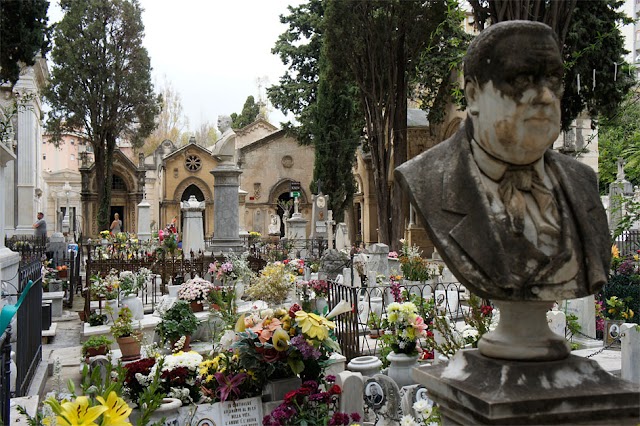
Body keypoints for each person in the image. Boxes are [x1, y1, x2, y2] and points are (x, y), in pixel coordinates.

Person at [395, 21, 609, 303]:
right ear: (473, 96)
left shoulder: (583, 182)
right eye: (521, 80)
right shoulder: (426, 179)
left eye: (554, 80)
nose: (545, 96)